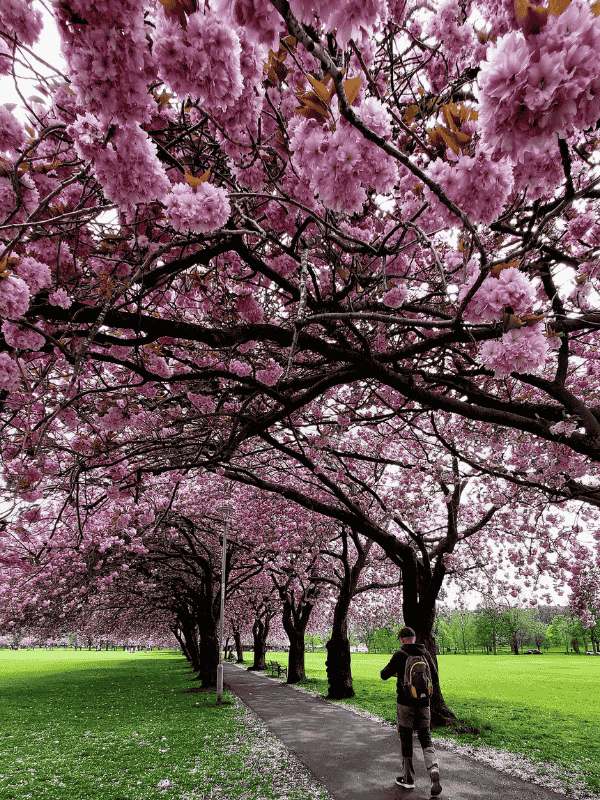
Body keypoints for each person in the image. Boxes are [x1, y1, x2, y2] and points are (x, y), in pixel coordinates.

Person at [380, 626, 442, 795]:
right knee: (425, 736)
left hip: (405, 703)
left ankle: (408, 779)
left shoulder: (400, 654)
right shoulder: (425, 653)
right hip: (424, 703)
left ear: (401, 639)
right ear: (414, 638)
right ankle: (433, 769)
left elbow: (384, 674)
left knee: (406, 737)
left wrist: (399, 674)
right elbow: (435, 677)